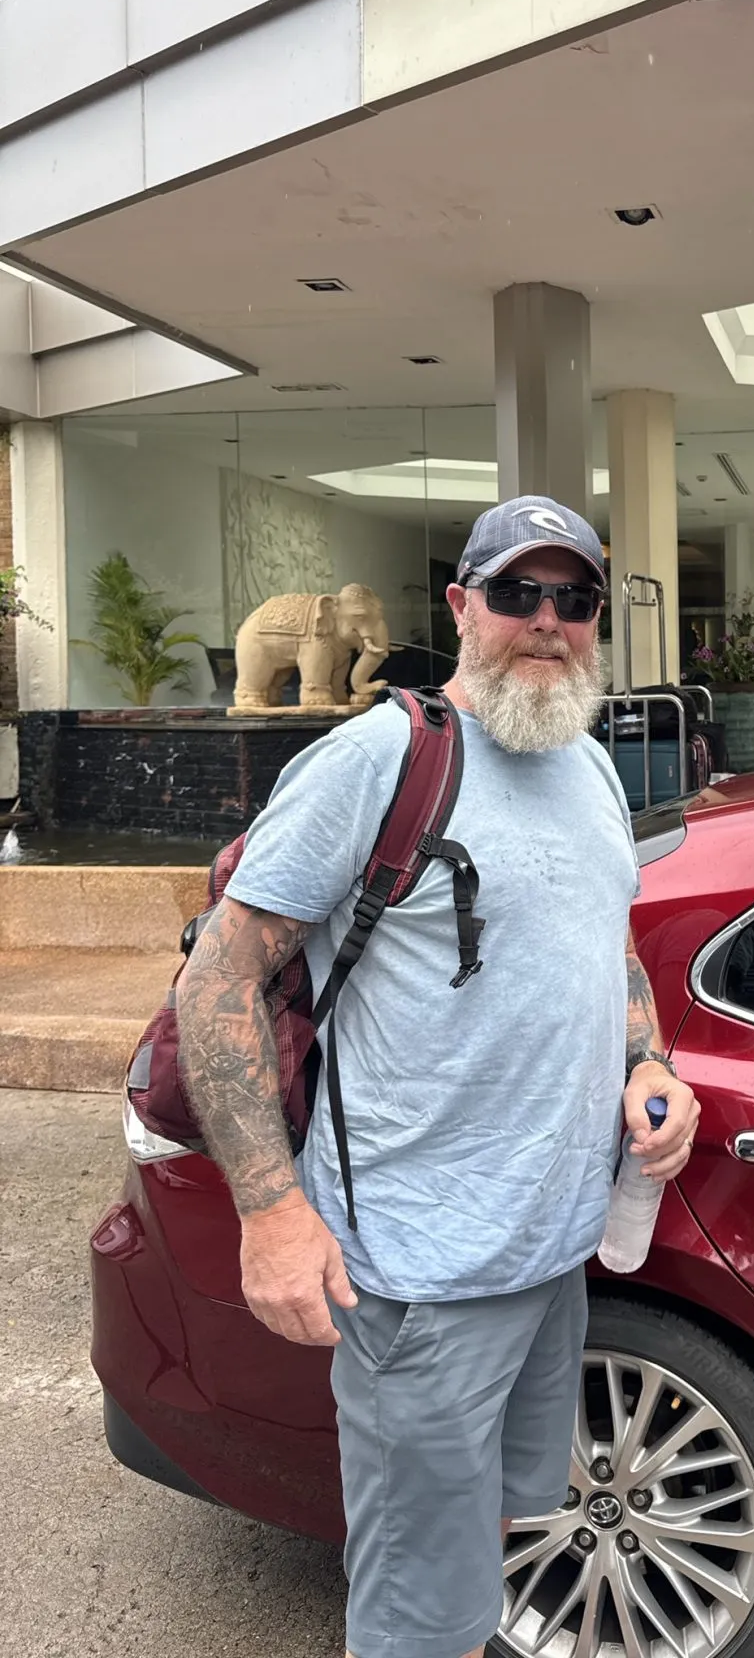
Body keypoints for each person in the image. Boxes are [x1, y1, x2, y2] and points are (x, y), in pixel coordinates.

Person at [175, 493, 700, 1658]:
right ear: (462, 606)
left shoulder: (588, 766)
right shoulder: (377, 761)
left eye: (574, 598)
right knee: (420, 1619)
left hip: (552, 1256)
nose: (548, 619)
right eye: (518, 592)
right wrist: (271, 1212)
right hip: (418, 1281)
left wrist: (646, 1060)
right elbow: (218, 982)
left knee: (494, 1535)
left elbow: (607, 945)